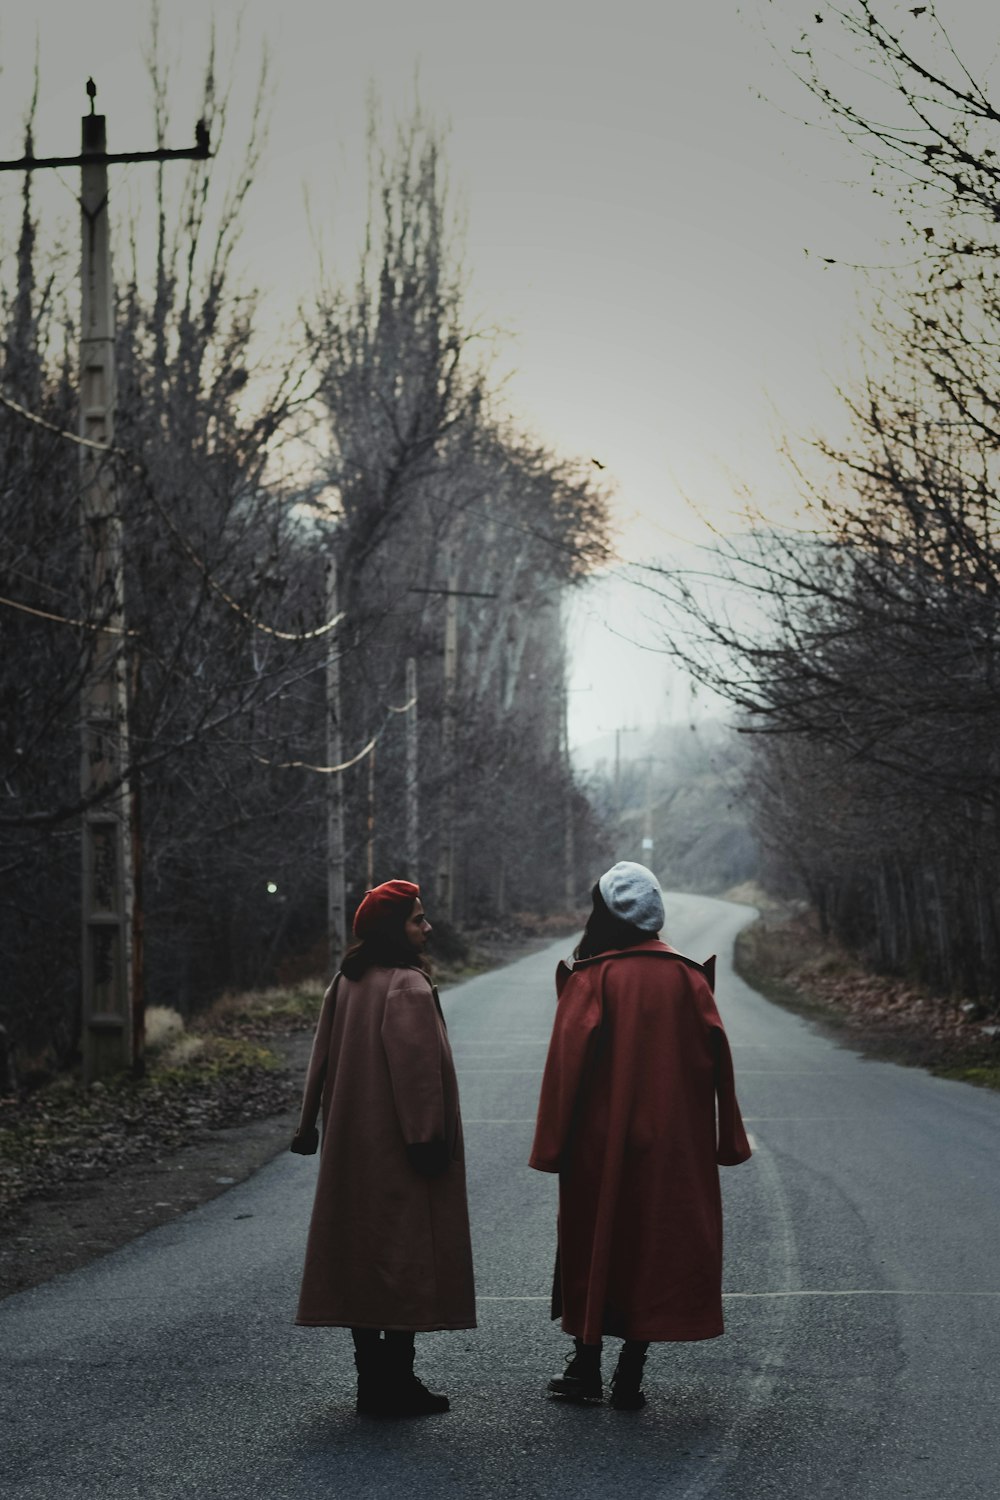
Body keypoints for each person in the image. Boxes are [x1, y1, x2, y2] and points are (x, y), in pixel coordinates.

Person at [529, 861, 751, 1411]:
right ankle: (631, 1372)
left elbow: (564, 1070)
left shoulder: (593, 976)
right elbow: (718, 1060)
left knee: (597, 1241)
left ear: (603, 914)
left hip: (599, 1146)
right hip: (675, 1145)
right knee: (654, 1247)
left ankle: (585, 1367)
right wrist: (727, 1139)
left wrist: (553, 1144)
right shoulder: (688, 976)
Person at [291, 879, 475, 1417]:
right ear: (395, 929)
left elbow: (318, 1056)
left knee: (362, 1257)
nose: (428, 926)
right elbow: (417, 1075)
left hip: (352, 1147)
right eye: (418, 919)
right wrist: (427, 1140)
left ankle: (371, 1380)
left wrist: (308, 1128)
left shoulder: (346, 980)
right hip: (398, 1147)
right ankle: (397, 1380)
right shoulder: (406, 986)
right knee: (404, 1259)